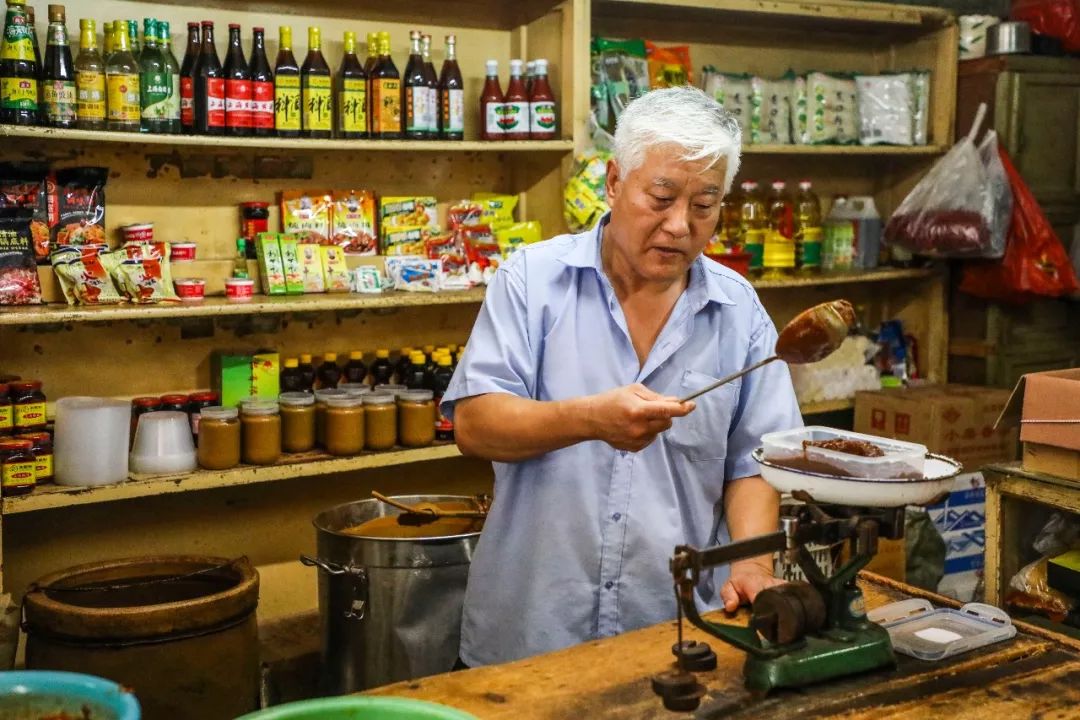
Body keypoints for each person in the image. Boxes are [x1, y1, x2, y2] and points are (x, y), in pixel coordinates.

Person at [440, 86, 803, 668]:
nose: (680, 225)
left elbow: (755, 461)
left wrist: (753, 563)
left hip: (676, 628)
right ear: (613, 183)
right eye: (660, 197)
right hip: (533, 631)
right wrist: (588, 419)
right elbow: (475, 424)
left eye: (705, 205)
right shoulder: (532, 281)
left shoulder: (739, 313)